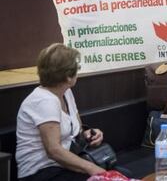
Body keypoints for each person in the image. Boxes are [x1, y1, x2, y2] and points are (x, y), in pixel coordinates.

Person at [16, 43, 105, 180]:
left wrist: (88, 134)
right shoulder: (44, 101)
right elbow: (54, 151)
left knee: (123, 175)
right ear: (68, 77)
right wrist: (93, 169)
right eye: (77, 68)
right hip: (42, 172)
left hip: (64, 166)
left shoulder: (66, 92)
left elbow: (76, 130)